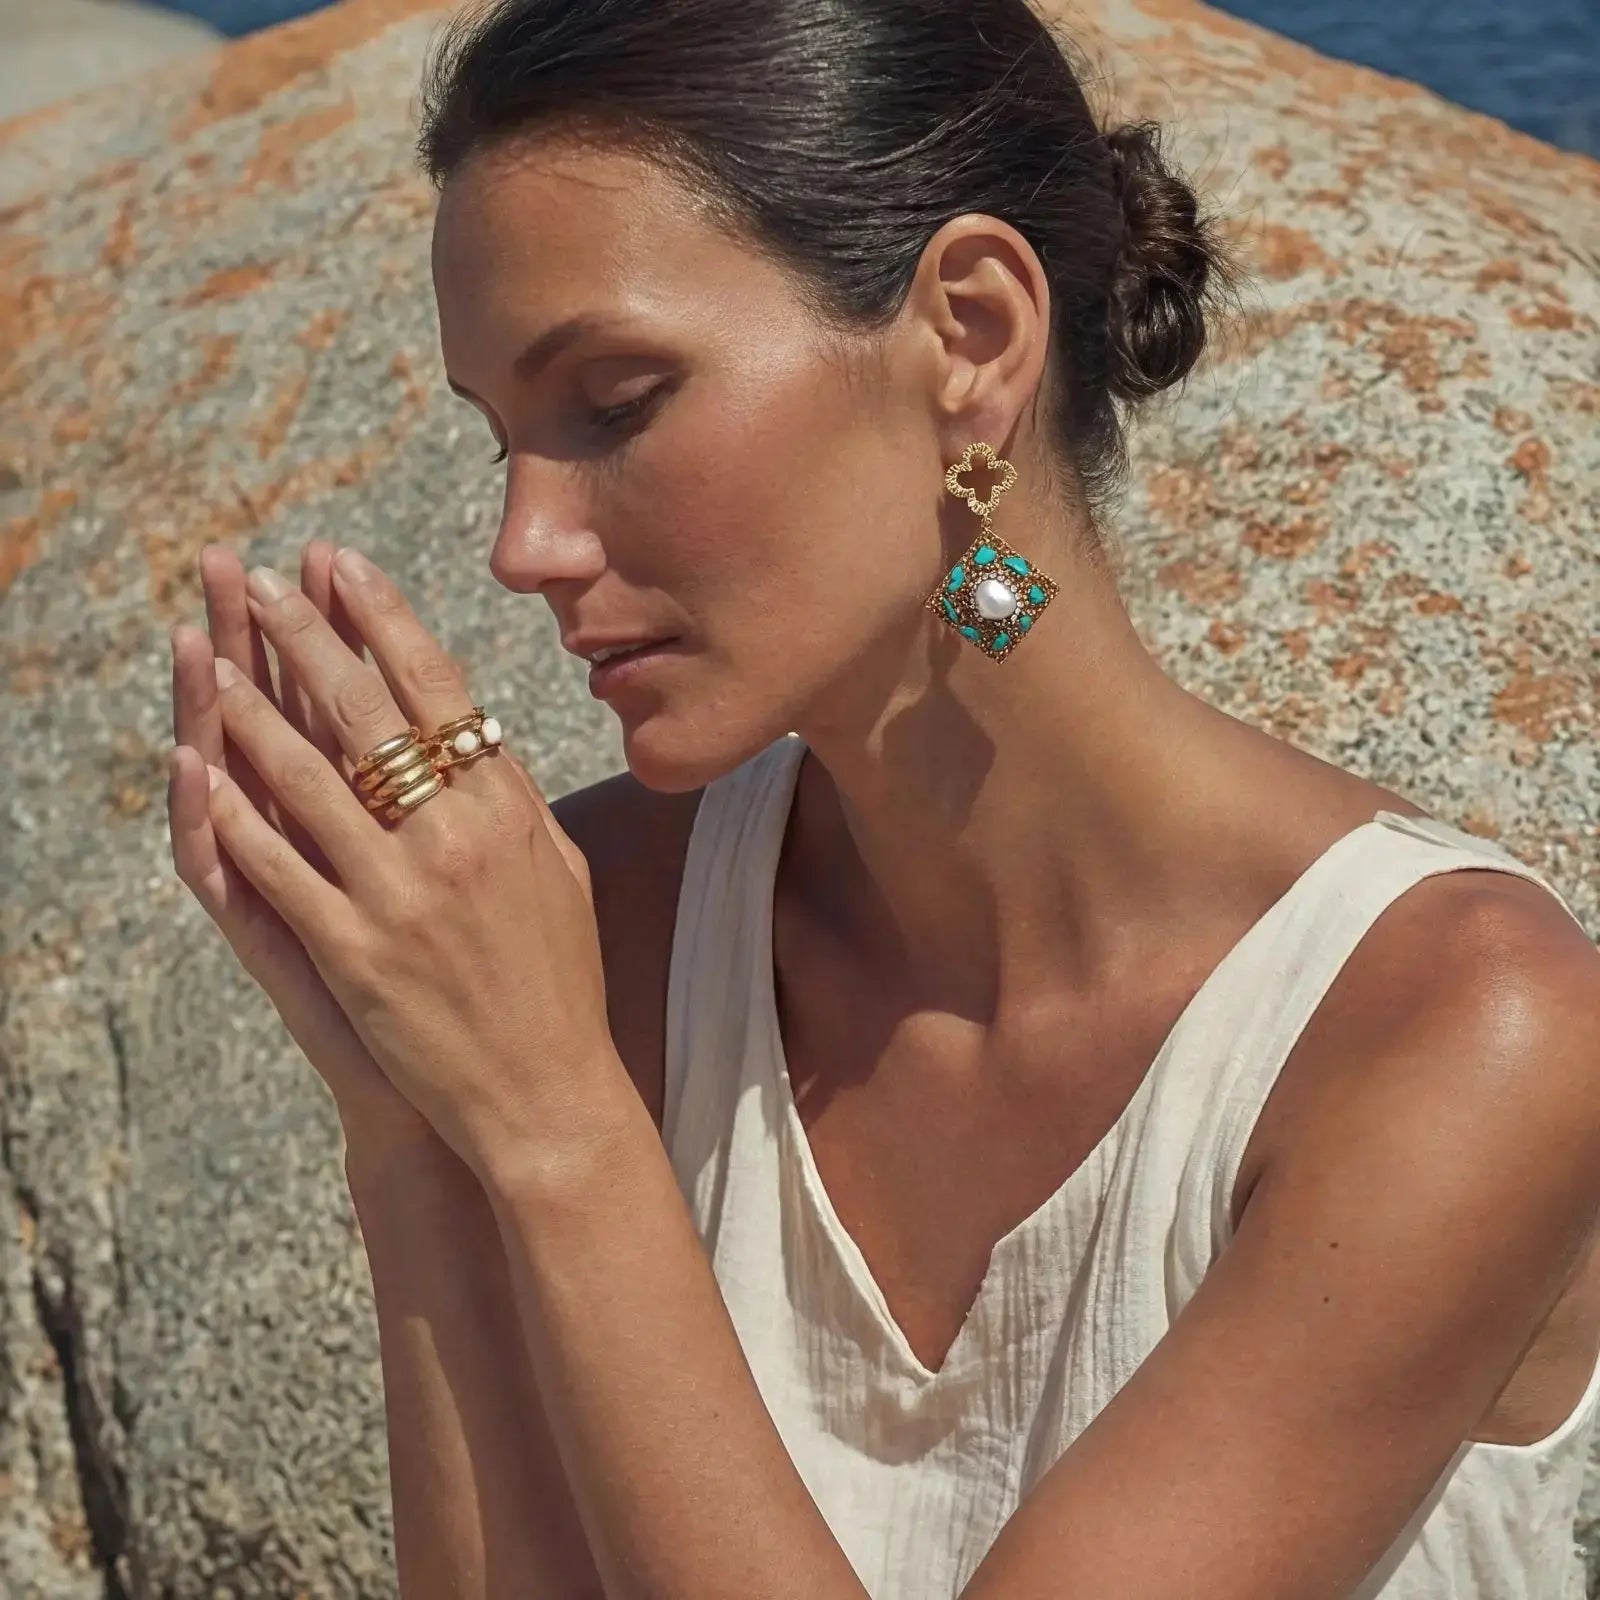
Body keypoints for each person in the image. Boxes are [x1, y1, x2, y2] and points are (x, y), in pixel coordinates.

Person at [166, 0, 1600, 1594]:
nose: (525, 544)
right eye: (507, 440)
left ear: (971, 337)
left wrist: (554, 1128)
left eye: (620, 401)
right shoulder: (604, 931)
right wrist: (409, 1129)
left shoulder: (1456, 1031)